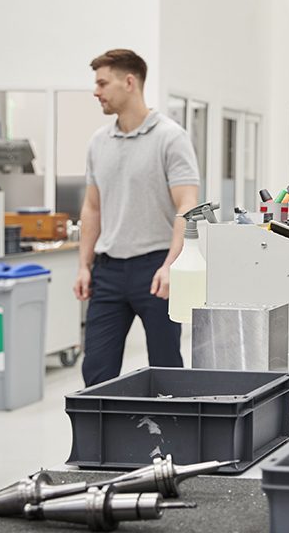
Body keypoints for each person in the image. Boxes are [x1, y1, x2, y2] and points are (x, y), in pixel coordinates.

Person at [73, 49, 200, 387]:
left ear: (129, 82)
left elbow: (187, 205)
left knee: (166, 369)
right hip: (108, 271)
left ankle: (173, 438)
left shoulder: (170, 137)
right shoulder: (99, 142)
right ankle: (98, 441)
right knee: (96, 371)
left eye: (102, 83)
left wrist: (172, 264)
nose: (96, 91)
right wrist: (84, 265)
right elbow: (92, 208)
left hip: (156, 267)